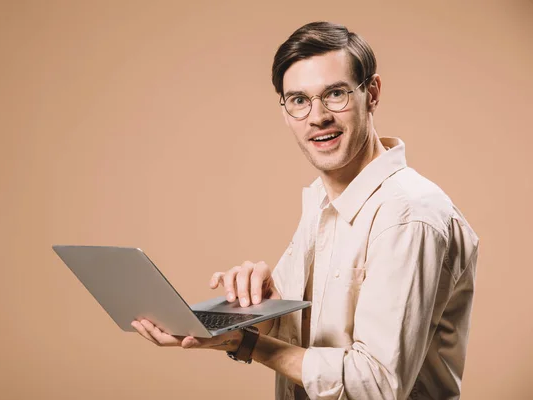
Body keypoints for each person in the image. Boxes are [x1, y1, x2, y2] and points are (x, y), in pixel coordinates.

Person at [132, 21, 479, 400]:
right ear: (285, 111)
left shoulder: (408, 215)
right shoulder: (323, 200)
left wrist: (249, 347)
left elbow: (377, 385)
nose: (317, 117)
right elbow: (303, 335)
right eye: (299, 100)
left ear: (372, 93)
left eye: (335, 94)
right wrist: (261, 303)